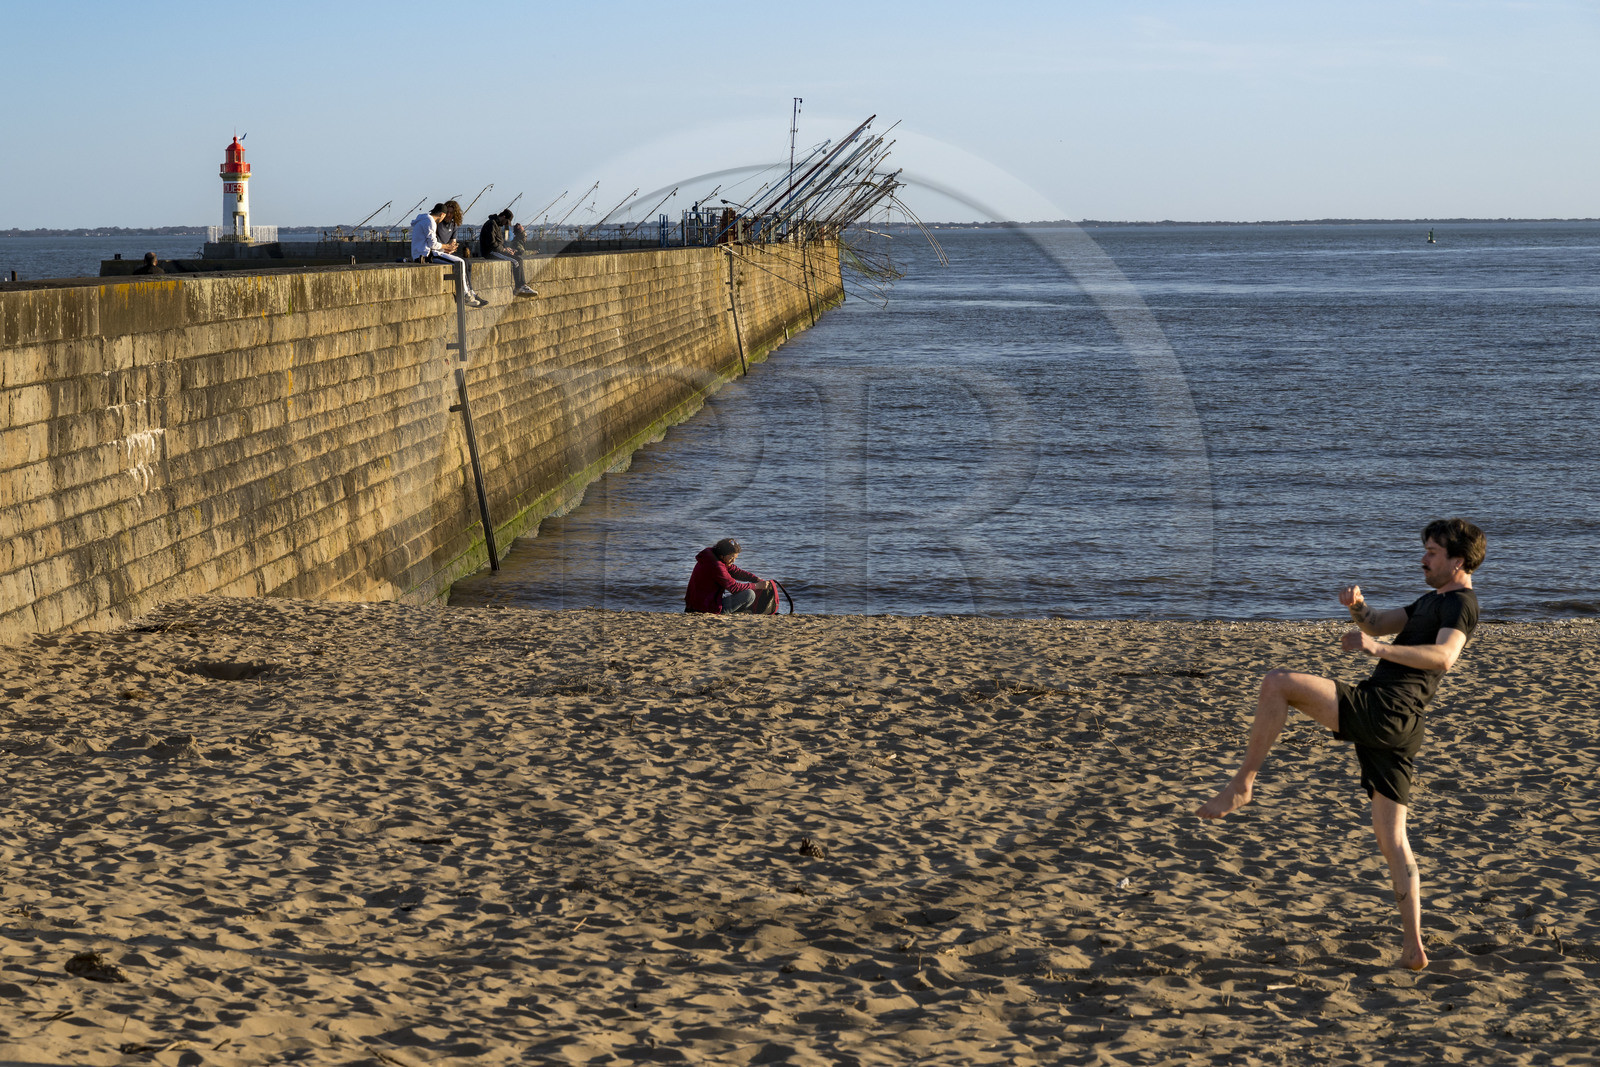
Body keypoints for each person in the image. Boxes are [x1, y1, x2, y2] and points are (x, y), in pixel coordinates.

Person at [1197, 518, 1485, 971]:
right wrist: (1359, 607)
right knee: (1393, 840)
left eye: (1432, 552)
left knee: (1278, 683)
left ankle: (1242, 783)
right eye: (1425, 550)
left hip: (1387, 708)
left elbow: (1443, 658)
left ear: (1458, 561)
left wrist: (1376, 650)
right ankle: (1413, 948)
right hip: (1401, 725)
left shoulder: (1461, 605)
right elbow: (1378, 623)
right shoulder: (1431, 601)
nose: (1423, 558)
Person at [411, 203, 487, 308]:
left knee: (461, 261)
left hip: (422, 254)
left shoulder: (424, 220)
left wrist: (447, 248)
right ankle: (465, 295)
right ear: (442, 214)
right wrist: (447, 246)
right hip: (426, 255)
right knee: (460, 262)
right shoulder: (430, 221)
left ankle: (469, 294)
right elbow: (432, 244)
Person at [684, 538, 778, 614]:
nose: (733, 561)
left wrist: (756, 579)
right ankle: (728, 613)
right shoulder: (716, 566)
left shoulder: (712, 556)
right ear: (722, 555)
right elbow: (734, 588)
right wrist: (758, 586)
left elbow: (735, 571)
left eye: (735, 558)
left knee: (747, 594)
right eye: (731, 558)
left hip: (697, 604)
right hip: (705, 609)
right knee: (749, 595)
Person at [480, 209, 537, 297]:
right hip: (490, 252)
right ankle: (519, 287)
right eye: (506, 222)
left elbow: (498, 243)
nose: (506, 225)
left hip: (496, 250)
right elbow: (492, 243)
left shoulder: (496, 225)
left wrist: (506, 249)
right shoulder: (491, 224)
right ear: (503, 217)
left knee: (519, 259)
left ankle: (522, 286)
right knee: (516, 261)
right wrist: (504, 250)